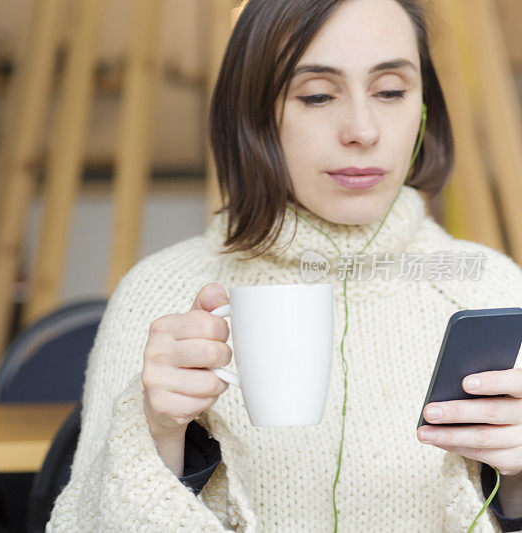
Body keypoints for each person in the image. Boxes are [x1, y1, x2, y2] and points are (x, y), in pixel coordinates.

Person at [47, 0, 522, 531]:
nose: (363, 130)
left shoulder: (491, 288)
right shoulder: (161, 293)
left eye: (391, 91)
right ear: (252, 113)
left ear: (424, 107)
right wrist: (158, 432)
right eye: (317, 95)